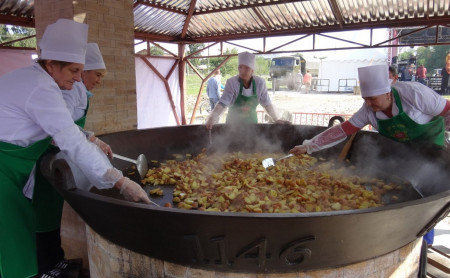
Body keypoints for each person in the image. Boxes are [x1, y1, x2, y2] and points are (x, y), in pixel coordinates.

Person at [0, 19, 150, 278]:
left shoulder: (42, 81)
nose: (78, 78)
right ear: (50, 64)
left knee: (18, 232)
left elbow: (64, 128)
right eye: (73, 70)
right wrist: (119, 181)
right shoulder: (41, 88)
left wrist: (92, 138)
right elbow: (70, 140)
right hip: (4, 170)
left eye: (81, 71)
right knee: (11, 239)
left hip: (12, 167)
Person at [289, 64, 450, 247]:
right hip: (406, 148)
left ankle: (423, 244)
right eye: (365, 99)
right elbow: (344, 130)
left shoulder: (415, 94)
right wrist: (309, 146)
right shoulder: (368, 110)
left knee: (428, 198)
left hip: (433, 147)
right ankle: (396, 235)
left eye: (372, 99)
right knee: (406, 187)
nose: (368, 104)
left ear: (387, 93)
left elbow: (448, 110)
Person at [32, 42, 110, 275]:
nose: (98, 80)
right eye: (97, 74)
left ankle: (56, 260)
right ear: (83, 72)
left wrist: (91, 139)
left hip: (57, 157)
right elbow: (60, 131)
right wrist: (91, 143)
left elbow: (70, 129)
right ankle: (45, 266)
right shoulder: (68, 91)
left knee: (52, 213)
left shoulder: (80, 92)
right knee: (41, 215)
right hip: (45, 159)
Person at [205, 52, 289, 128]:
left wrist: (276, 119)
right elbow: (222, 104)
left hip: (251, 124)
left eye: (246, 68)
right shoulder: (232, 83)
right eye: (240, 67)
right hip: (232, 126)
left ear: (252, 70)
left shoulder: (260, 83)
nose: (242, 71)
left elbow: (267, 104)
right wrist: (212, 118)